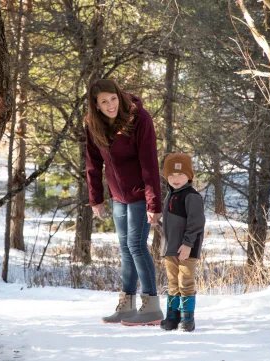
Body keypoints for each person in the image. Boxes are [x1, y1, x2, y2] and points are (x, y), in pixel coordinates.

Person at [85, 79, 163, 326]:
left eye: (113, 99)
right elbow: (92, 163)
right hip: (118, 196)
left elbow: (150, 163)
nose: (110, 105)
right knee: (125, 249)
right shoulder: (93, 125)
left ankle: (151, 305)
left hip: (140, 193)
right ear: (96, 105)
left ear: (119, 96)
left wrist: (153, 203)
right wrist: (96, 198)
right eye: (104, 102)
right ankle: (126, 306)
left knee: (136, 245)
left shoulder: (139, 118)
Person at [159, 153, 205, 332]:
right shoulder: (170, 195)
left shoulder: (192, 196)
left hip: (186, 249)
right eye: (171, 175)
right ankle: (172, 317)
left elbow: (196, 222)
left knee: (185, 282)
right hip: (170, 248)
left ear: (189, 176)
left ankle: (188, 319)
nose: (175, 179)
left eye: (180, 175)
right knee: (172, 282)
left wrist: (187, 244)